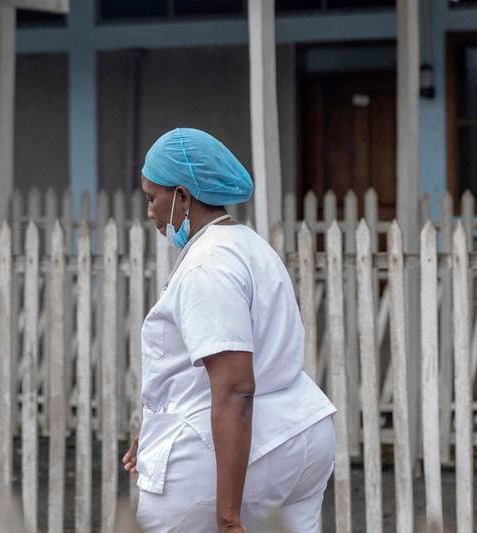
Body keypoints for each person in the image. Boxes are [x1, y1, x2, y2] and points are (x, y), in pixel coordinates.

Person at [122, 128, 336, 533]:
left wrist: (228, 515)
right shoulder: (249, 245)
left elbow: (235, 387)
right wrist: (155, 429)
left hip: (231, 454)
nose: (149, 211)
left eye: (153, 198)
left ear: (183, 196)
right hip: (302, 434)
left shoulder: (208, 266)